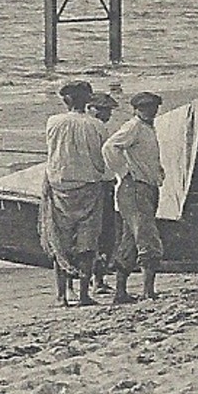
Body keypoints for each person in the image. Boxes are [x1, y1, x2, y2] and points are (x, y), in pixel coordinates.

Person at [40, 80, 108, 307]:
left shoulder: (53, 122)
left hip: (59, 187)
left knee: (59, 240)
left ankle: (61, 296)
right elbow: (102, 158)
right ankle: (84, 294)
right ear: (87, 100)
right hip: (89, 187)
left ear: (66, 100)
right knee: (87, 242)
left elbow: (53, 154)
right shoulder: (97, 126)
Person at [102, 91, 165, 303]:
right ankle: (148, 291)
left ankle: (121, 292)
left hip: (145, 187)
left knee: (129, 240)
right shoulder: (134, 127)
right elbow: (110, 147)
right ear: (136, 109)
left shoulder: (147, 127)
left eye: (154, 107)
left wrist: (157, 172)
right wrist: (124, 172)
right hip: (134, 189)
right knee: (148, 239)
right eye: (146, 107)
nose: (151, 110)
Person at [86, 91, 121, 291]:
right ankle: (96, 279)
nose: (107, 114)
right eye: (102, 110)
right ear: (90, 108)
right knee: (102, 233)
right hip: (98, 185)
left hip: (101, 184)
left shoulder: (100, 128)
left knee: (102, 233)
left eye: (108, 111)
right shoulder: (97, 128)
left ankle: (97, 279)